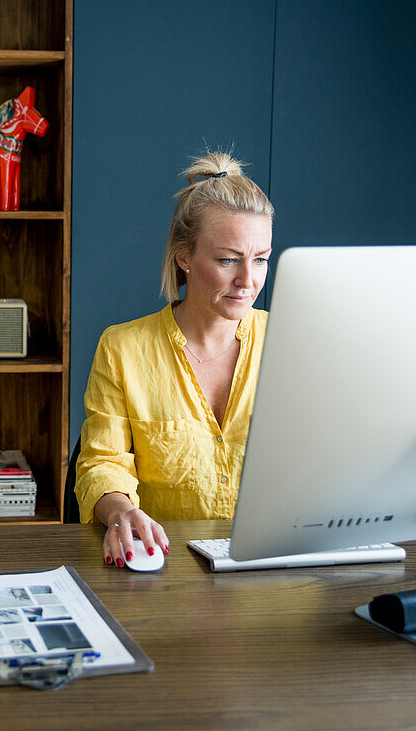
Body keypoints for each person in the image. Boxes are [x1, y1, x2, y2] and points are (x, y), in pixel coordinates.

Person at [74, 151, 275, 568]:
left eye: (260, 260)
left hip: (272, 564)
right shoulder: (123, 348)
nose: (248, 281)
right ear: (184, 257)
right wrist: (119, 512)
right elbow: (101, 462)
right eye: (227, 260)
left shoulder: (290, 341)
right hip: (167, 570)